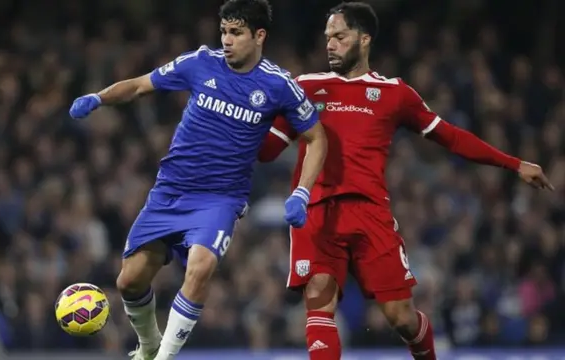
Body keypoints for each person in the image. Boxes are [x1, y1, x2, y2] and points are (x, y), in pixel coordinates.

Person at [257, 2, 553, 360]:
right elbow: (268, 149)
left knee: (400, 317)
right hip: (316, 209)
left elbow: (451, 137)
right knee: (319, 302)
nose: (330, 44)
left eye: (339, 36)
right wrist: (241, 122)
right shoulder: (305, 87)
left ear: (363, 40)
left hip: (370, 213)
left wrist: (513, 163)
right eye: (327, 38)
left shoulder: (395, 94)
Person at [68, 0, 327, 359]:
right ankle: (148, 345)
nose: (227, 40)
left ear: (259, 35)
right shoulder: (200, 62)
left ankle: (165, 357)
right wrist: (99, 97)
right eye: (224, 31)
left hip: (219, 199)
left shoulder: (278, 85)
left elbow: (317, 137)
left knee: (201, 265)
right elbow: (141, 85)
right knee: (128, 281)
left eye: (236, 33)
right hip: (170, 191)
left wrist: (301, 192)